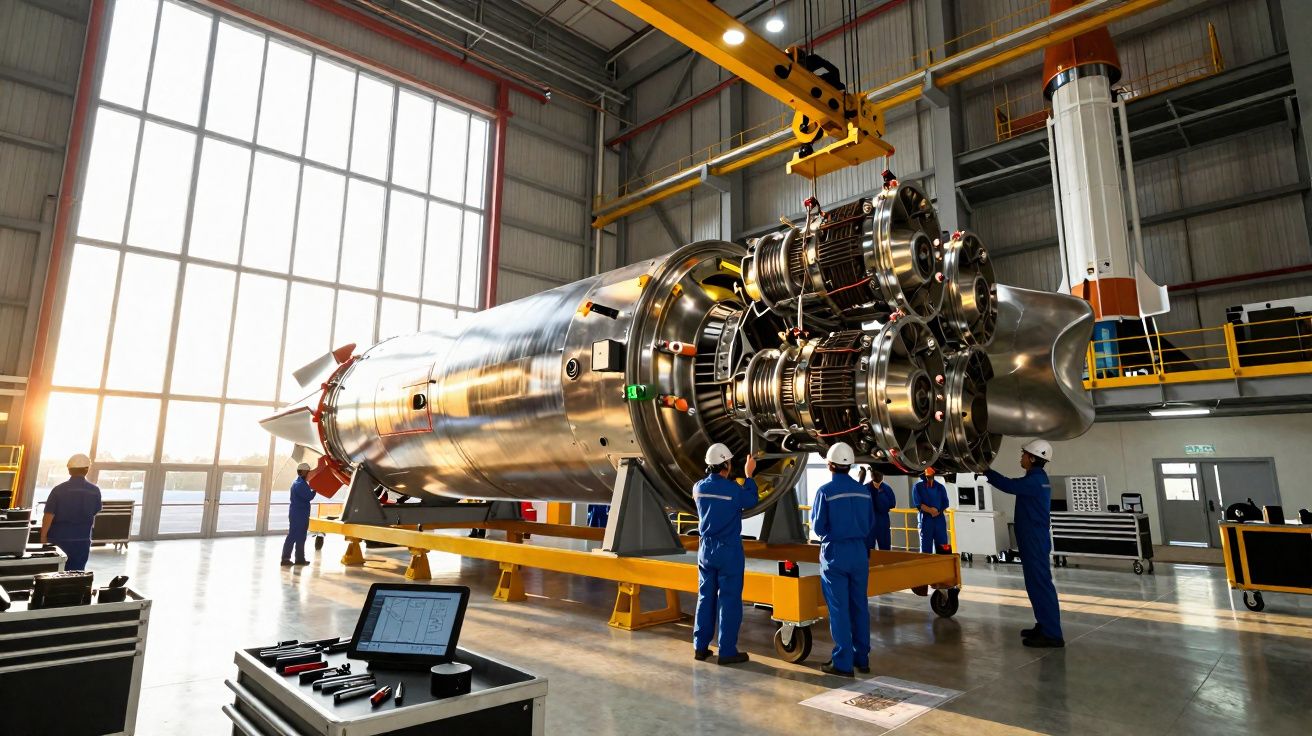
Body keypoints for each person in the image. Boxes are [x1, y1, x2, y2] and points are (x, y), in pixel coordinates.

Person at [985, 439, 1064, 648]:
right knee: (1035, 584)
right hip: (1033, 538)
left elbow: (1009, 485)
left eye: (1023, 455)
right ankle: (1044, 624)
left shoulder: (1035, 480)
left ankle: (1053, 634)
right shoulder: (1037, 478)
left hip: (1034, 540)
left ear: (1031, 458)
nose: (1020, 458)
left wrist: (986, 471)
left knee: (1040, 584)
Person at [812, 443, 875, 677]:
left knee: (839, 609)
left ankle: (842, 663)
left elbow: (819, 527)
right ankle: (862, 658)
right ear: (849, 466)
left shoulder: (825, 492)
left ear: (830, 464)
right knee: (860, 605)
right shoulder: (863, 492)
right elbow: (870, 524)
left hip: (835, 553)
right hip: (859, 552)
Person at [692, 442, 757, 665]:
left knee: (705, 598)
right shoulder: (732, 490)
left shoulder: (698, 487)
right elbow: (751, 500)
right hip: (728, 550)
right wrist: (749, 476)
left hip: (706, 550)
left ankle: (700, 648)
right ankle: (727, 651)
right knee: (729, 601)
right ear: (726, 465)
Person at [40, 454, 102, 571]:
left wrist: (43, 537)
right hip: (81, 540)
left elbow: (48, 515)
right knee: (75, 574)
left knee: (54, 573)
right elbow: (95, 511)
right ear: (87, 469)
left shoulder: (58, 490)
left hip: (58, 538)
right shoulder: (94, 491)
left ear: (69, 470)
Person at [281, 462, 316, 567]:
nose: (309, 474)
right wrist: (315, 489)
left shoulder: (299, 483)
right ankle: (285, 559)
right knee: (293, 536)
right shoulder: (300, 484)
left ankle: (300, 559)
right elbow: (309, 496)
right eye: (308, 472)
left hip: (300, 513)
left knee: (301, 536)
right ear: (304, 471)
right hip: (298, 514)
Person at [912, 467, 951, 554]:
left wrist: (938, 511)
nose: (929, 478)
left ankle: (944, 565)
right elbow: (918, 504)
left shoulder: (940, 487)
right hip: (926, 520)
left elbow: (946, 503)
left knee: (943, 545)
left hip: (939, 520)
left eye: (930, 476)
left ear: (933, 475)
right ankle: (926, 566)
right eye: (927, 476)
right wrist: (931, 511)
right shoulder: (918, 487)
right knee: (926, 546)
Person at [863, 468, 897, 551]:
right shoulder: (865, 488)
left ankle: (885, 564)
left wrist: (880, 493)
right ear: (871, 475)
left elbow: (892, 504)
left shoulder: (887, 489)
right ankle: (870, 564)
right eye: (874, 473)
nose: (877, 475)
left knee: (885, 549)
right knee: (869, 550)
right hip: (869, 523)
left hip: (883, 522)